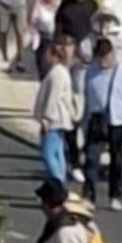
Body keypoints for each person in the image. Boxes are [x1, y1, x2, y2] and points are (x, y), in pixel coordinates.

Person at [81, 37, 122, 212]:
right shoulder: (91, 72)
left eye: (106, 56)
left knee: (116, 159)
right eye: (100, 56)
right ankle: (89, 195)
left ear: (112, 54)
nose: (103, 60)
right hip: (96, 120)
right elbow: (87, 98)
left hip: (117, 121)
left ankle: (115, 195)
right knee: (91, 158)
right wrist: (83, 119)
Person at [33, 40, 75, 185]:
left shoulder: (57, 73)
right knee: (58, 152)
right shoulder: (60, 72)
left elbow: (53, 97)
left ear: (52, 55)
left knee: (48, 153)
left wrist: (47, 119)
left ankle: (57, 181)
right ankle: (60, 181)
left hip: (55, 120)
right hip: (59, 120)